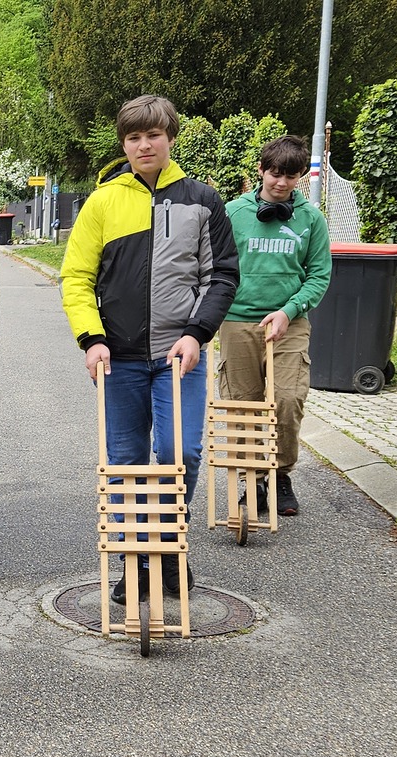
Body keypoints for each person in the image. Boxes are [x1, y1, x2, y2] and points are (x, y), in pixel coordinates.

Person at [60, 95, 239, 603]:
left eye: (153, 135)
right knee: (126, 460)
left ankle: (166, 549)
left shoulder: (203, 201)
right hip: (117, 359)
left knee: (179, 451)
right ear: (124, 143)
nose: (144, 145)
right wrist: (91, 339)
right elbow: (76, 278)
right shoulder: (102, 202)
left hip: (178, 355)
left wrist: (196, 333)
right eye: (134, 137)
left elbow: (222, 275)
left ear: (170, 138)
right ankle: (136, 562)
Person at [222, 134, 331, 517]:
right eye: (274, 173)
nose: (281, 183)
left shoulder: (311, 219)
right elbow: (215, 266)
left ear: (301, 176)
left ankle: (280, 473)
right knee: (243, 406)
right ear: (261, 171)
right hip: (237, 321)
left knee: (287, 399)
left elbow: (319, 275)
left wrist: (289, 310)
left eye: (290, 175)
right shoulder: (233, 213)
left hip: (290, 322)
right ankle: (252, 480)